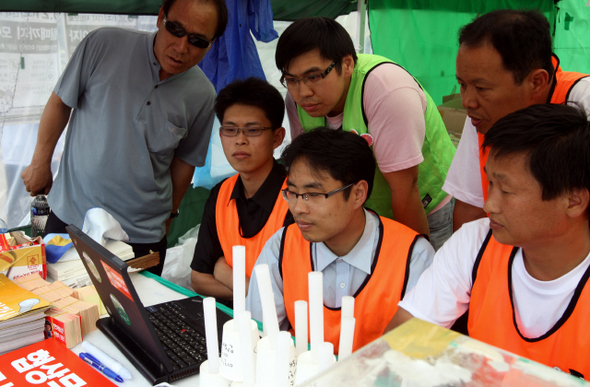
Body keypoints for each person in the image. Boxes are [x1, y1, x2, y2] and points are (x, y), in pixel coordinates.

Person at [20, 0, 228, 275]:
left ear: (211, 44)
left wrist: (171, 214)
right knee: (58, 308)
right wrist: (40, 162)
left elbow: (184, 161)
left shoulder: (203, 95)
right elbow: (61, 102)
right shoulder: (103, 44)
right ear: (160, 17)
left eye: (197, 40)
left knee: (129, 315)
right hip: (69, 216)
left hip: (140, 237)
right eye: (175, 29)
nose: (181, 47)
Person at [387, 103, 590, 380]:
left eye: (506, 190)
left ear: (574, 200)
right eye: (490, 183)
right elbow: (400, 344)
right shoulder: (475, 244)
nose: (489, 204)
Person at [246, 128, 435, 354]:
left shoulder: (414, 258)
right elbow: (260, 339)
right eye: (293, 193)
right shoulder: (281, 246)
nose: (298, 208)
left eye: (313, 195)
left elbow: (421, 357)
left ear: (358, 194)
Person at [275, 17, 456, 250]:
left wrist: (415, 263)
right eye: (291, 79)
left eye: (314, 77)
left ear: (347, 64)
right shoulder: (296, 100)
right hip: (361, 215)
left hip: (424, 209)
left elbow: (405, 189)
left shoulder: (387, 92)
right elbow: (308, 171)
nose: (303, 92)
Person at [443, 9, 590, 231]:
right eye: (463, 85)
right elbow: (470, 207)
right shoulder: (481, 113)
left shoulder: (584, 102)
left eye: (482, 87)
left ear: (537, 82)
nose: (467, 101)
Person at [190, 77, 293, 303]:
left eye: (253, 130)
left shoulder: (297, 199)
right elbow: (198, 279)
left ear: (277, 137)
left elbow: (291, 296)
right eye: (230, 130)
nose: (239, 140)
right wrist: (254, 292)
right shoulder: (221, 194)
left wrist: (224, 272)